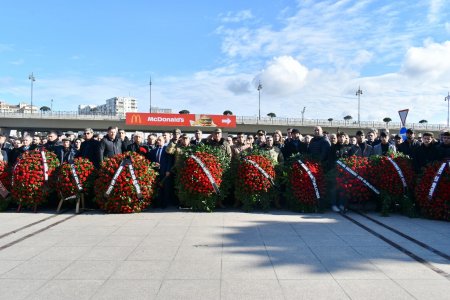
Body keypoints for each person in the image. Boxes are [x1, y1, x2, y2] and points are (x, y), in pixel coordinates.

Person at [327, 132, 352, 212]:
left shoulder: (348, 148)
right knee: (334, 189)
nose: (341, 138)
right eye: (340, 137)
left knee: (343, 189)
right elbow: (330, 160)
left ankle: (342, 204)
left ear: (345, 138)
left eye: (343, 137)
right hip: (335, 172)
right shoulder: (333, 147)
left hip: (344, 172)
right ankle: (333, 205)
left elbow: (350, 160)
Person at [149, 136, 173, 208]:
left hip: (165, 172)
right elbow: (151, 160)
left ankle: (164, 204)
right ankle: (158, 203)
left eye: (160, 140)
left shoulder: (167, 150)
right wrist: (154, 164)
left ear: (164, 141)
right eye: (158, 140)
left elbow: (169, 161)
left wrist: (168, 170)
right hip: (156, 172)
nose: (158, 141)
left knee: (165, 188)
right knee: (157, 188)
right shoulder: (154, 150)